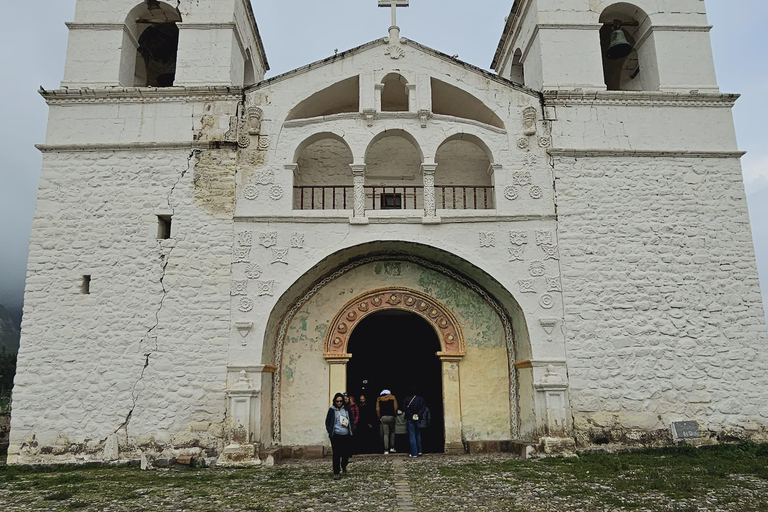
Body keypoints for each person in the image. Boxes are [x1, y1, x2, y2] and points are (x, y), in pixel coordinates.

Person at [325, 392, 354, 479]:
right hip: (336, 435)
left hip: (346, 434)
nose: (339, 403)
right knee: (336, 454)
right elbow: (328, 421)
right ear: (335, 401)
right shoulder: (331, 410)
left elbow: (351, 419)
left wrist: (351, 429)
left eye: (341, 401)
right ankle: (336, 472)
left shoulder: (346, 409)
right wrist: (330, 431)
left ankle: (344, 465)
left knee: (345, 453)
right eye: (337, 401)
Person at [403, 392, 427, 457]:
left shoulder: (406, 399)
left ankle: (414, 453)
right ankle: (419, 451)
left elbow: (405, 408)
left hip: (410, 418)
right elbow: (423, 407)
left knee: (412, 435)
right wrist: (418, 415)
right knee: (418, 434)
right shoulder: (420, 399)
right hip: (418, 418)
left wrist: (412, 415)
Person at [376, 389, 398, 454]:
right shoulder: (393, 398)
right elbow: (395, 407)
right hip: (391, 416)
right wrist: (395, 415)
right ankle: (392, 447)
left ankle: (386, 449)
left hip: (383, 417)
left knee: (385, 433)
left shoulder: (379, 399)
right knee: (392, 432)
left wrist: (379, 417)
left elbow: (377, 409)